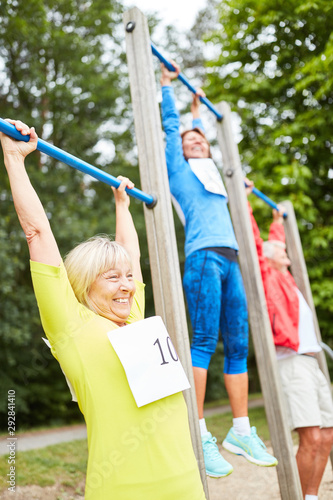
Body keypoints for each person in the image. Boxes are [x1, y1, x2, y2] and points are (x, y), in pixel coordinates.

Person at [0, 119, 207, 500]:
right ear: (84, 284)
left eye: (128, 277)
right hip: (122, 490)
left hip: (187, 486)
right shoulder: (71, 326)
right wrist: (14, 158)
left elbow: (133, 254)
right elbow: (38, 233)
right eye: (112, 278)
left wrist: (122, 204)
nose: (127, 285)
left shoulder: (134, 320)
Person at [159, 63, 277, 478]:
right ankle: (200, 431)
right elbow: (175, 135)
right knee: (205, 341)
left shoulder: (213, 175)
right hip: (204, 257)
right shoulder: (178, 171)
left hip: (231, 260)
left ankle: (241, 431)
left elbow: (198, 136)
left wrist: (197, 113)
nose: (195, 142)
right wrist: (167, 90)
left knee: (239, 345)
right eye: (190, 140)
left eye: (200, 139)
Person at [246, 182, 333, 500]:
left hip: (310, 362)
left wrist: (278, 221)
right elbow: (259, 246)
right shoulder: (268, 276)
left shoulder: (287, 278)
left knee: (327, 435)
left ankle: (310, 496)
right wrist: (245, 204)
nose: (285, 252)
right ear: (269, 260)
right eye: (280, 251)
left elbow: (274, 242)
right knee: (310, 435)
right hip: (291, 362)